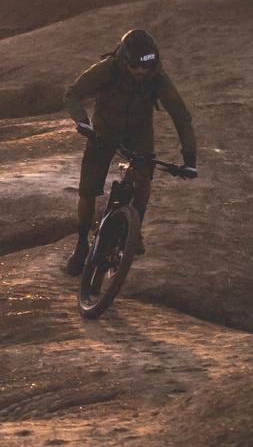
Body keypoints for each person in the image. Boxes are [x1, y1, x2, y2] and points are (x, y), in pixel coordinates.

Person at [62, 27, 197, 275]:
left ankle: (135, 232)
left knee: (144, 175)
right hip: (103, 132)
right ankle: (81, 245)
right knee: (88, 190)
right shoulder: (108, 69)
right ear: (124, 60)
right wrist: (83, 123)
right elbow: (73, 94)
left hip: (138, 133)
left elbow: (181, 115)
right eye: (135, 66)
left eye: (146, 66)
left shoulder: (156, 77)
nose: (141, 72)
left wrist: (190, 158)